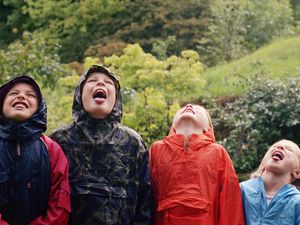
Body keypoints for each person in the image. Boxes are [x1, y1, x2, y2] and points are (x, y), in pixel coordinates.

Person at [50, 65, 152, 225]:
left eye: (108, 82)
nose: (101, 84)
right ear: (79, 94)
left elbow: (144, 199)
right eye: (92, 81)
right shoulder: (59, 139)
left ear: (116, 98)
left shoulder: (132, 141)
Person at [150, 103, 245, 225]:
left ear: (208, 128)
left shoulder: (217, 152)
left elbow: (230, 202)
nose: (189, 105)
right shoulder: (157, 149)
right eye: (182, 108)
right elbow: (146, 196)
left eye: (198, 109)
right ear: (173, 126)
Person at [0, 75, 70, 225]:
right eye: (13, 93)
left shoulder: (52, 149)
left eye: (30, 95)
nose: (21, 96)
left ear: (39, 107)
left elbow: (60, 204)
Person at [240, 139, 300, 225]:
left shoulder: (297, 201)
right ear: (263, 162)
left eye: (289, 149)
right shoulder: (241, 190)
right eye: (275, 146)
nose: (280, 147)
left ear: (297, 172)